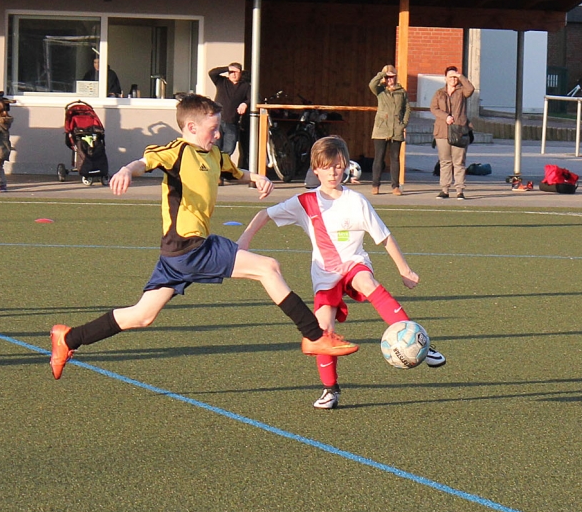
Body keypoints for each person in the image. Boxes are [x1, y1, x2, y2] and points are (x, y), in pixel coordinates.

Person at [48, 94, 359, 380]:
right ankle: (315, 336)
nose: (218, 134)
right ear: (192, 127)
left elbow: (237, 173)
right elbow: (144, 162)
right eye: (213, 129)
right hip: (189, 248)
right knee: (268, 268)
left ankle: (69, 337)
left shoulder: (214, 156)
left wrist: (258, 178)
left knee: (141, 316)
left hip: (177, 253)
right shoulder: (177, 151)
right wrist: (127, 171)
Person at [238, 136, 444, 410]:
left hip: (354, 264)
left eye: (337, 166)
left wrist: (404, 270)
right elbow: (265, 213)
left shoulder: (356, 201)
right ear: (315, 168)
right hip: (324, 277)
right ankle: (330, 390)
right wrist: (244, 241)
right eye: (326, 167)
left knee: (366, 280)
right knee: (323, 331)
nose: (333, 172)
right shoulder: (305, 202)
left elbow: (384, 237)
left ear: (345, 166)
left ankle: (422, 343)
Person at [432, 66, 475, 199]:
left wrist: (460, 76)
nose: (453, 80)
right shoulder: (439, 93)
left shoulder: (462, 91)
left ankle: (459, 190)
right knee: (445, 161)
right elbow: (433, 108)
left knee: (459, 161)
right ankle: (444, 189)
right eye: (450, 77)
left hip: (459, 131)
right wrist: (446, 117)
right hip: (442, 131)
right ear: (445, 78)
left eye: (455, 77)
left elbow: (471, 89)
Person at [369, 65, 410, 196]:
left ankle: (395, 186)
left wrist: (403, 124)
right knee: (379, 158)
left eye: (392, 77)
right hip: (381, 129)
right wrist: (382, 74)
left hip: (396, 129)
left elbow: (407, 109)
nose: (390, 80)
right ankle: (375, 185)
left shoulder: (402, 92)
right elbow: (372, 84)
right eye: (388, 77)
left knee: (395, 159)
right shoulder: (380, 90)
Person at [208, 63, 249, 169]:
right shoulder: (222, 82)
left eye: (236, 72)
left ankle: (221, 170)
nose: (233, 75)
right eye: (231, 72)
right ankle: (217, 176)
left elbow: (254, 98)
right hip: (217, 122)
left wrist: (245, 103)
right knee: (216, 148)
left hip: (232, 123)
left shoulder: (245, 86)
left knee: (228, 149)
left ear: (240, 73)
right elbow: (212, 73)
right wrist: (227, 68)